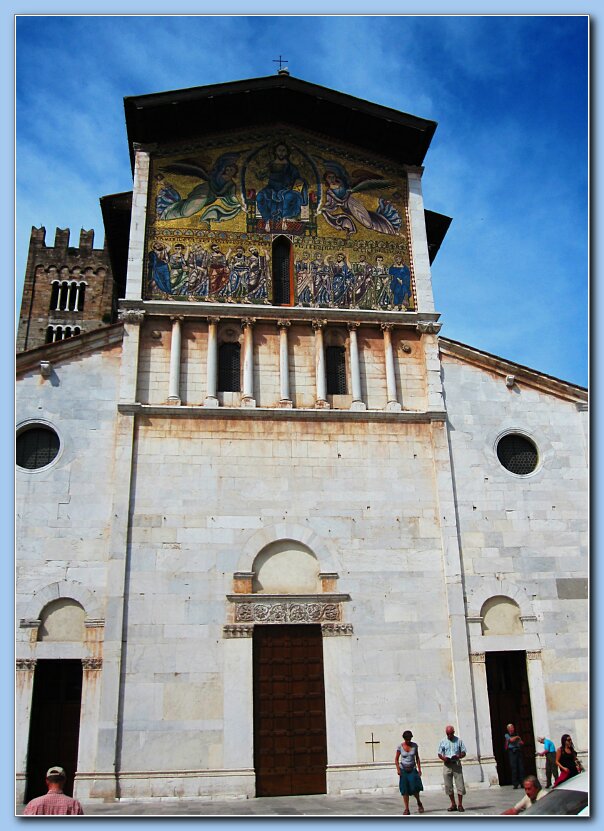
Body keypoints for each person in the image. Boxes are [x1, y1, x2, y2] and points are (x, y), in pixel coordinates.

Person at [437, 724, 467, 812]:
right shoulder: (443, 741)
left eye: (450, 734)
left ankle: (460, 804)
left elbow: (464, 752)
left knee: (460, 784)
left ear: (453, 732)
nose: (449, 735)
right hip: (447, 764)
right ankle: (453, 804)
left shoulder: (459, 741)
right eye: (448, 734)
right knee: (448, 785)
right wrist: (444, 758)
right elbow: (439, 753)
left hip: (456, 764)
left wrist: (458, 756)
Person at [395, 730, 424, 815]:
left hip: (412, 769)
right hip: (403, 769)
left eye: (409, 739)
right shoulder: (400, 747)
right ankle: (407, 808)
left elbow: (417, 758)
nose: (408, 741)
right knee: (405, 789)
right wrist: (398, 769)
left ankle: (419, 802)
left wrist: (419, 769)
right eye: (407, 739)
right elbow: (396, 759)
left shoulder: (414, 746)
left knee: (414, 788)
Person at [504, 723, 524, 789]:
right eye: (511, 728)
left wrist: (518, 739)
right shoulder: (506, 735)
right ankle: (515, 783)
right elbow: (511, 740)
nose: (512, 729)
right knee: (514, 768)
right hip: (512, 752)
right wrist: (517, 738)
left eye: (513, 727)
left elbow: (521, 742)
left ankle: (522, 782)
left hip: (518, 751)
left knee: (521, 768)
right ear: (508, 729)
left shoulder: (517, 734)